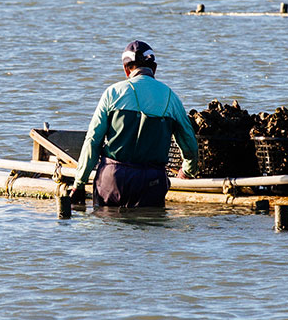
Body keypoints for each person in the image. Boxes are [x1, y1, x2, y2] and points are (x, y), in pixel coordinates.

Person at [70, 40, 198, 208]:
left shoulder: (113, 93)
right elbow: (190, 145)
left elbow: (93, 141)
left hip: (112, 179)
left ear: (126, 69)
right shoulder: (171, 97)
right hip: (151, 182)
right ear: (154, 68)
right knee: (149, 227)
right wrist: (187, 171)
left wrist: (79, 183)